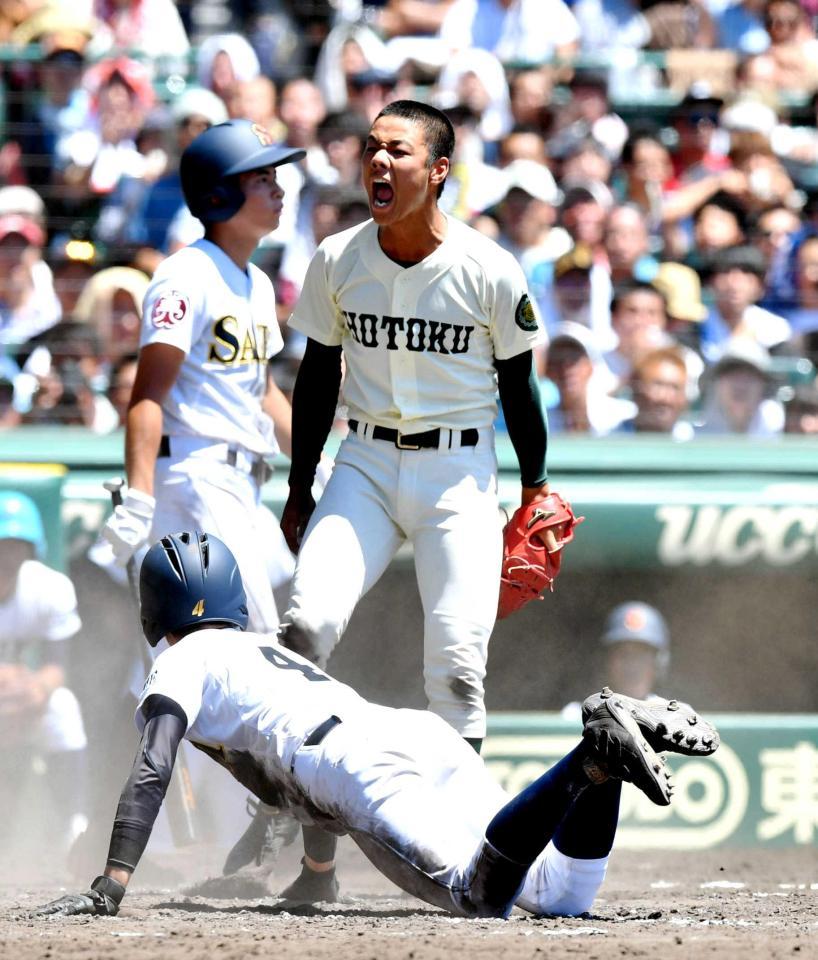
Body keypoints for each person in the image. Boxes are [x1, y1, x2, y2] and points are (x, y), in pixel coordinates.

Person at [33, 532, 719, 920]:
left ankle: (588, 759)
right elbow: (299, 766)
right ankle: (602, 760)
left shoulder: (180, 661)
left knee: (479, 895)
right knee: (561, 895)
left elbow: (152, 766)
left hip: (354, 763)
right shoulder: (265, 651)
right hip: (409, 735)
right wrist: (316, 873)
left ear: (153, 613)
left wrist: (111, 882)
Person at [276, 99, 556, 897]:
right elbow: (318, 376)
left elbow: (520, 390)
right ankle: (314, 862)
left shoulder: (488, 267)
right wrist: (301, 483)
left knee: (457, 668)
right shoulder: (337, 257)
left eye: (397, 150)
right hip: (363, 463)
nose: (377, 160)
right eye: (371, 147)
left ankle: (469, 861)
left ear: (438, 171)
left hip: (458, 475)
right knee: (305, 629)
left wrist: (535, 487)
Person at [100, 118, 304, 633]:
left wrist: (313, 461)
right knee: (254, 639)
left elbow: (263, 390)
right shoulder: (184, 275)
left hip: (241, 480)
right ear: (220, 195)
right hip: (196, 472)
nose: (278, 189)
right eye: (261, 179)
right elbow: (147, 395)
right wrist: (140, 495)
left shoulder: (257, 282)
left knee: (209, 645)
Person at [0, 491, 88, 857]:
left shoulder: (49, 587)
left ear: (31, 550)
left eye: (16, 545)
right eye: (1, 544)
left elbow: (57, 665)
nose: (7, 554)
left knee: (62, 706)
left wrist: (37, 689)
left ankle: (74, 828)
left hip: (18, 698)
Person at [562, 601, 671, 720]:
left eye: (640, 656)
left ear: (659, 663)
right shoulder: (578, 716)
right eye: (623, 654)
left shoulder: (671, 718)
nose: (632, 665)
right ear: (607, 661)